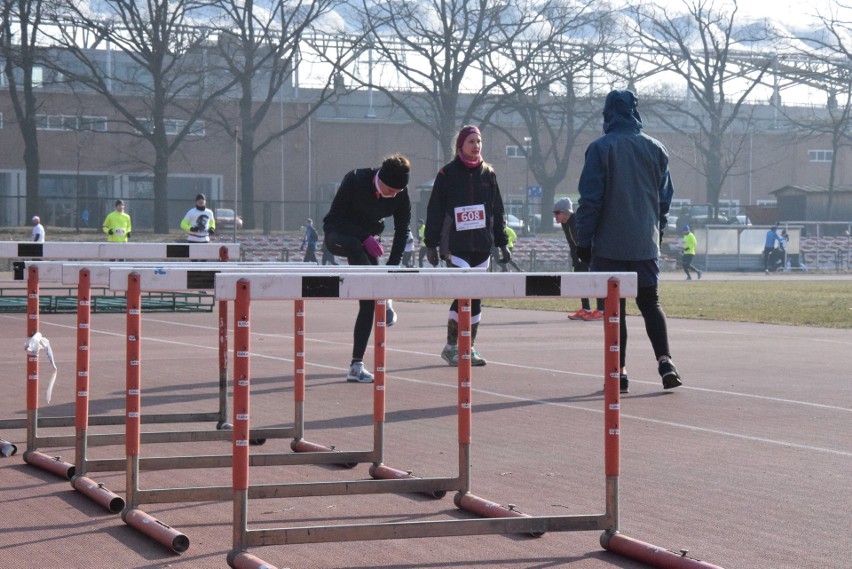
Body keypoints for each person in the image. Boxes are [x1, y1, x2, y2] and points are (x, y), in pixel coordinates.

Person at [575, 89, 682, 394]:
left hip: (609, 245)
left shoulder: (600, 148)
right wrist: (656, 231)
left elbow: (591, 199)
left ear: (608, 114)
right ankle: (665, 361)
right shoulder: (656, 148)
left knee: (614, 310)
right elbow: (665, 199)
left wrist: (584, 240)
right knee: (650, 303)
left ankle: (618, 372)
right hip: (644, 243)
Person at [424, 124, 510, 367]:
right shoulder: (447, 174)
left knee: (476, 297)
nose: (476, 146)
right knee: (463, 294)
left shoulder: (488, 174)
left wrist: (502, 243)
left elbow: (498, 210)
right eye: (471, 141)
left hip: (482, 245)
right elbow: (435, 209)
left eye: (479, 141)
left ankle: (468, 347)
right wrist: (431, 244)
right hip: (455, 245)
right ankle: (452, 346)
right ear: (461, 145)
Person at [323, 153, 411, 383]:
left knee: (369, 304)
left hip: (366, 243)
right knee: (354, 245)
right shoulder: (355, 180)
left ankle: (356, 365)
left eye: (397, 193)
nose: (393, 196)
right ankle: (380, 293)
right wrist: (363, 236)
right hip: (339, 236)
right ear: (380, 178)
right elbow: (332, 219)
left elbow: (403, 231)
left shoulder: (400, 194)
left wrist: (391, 270)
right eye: (390, 190)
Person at [553, 197, 604, 321]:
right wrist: (575, 259)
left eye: (557, 213)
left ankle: (601, 310)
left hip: (592, 254)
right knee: (580, 280)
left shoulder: (577, 221)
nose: (555, 216)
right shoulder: (565, 224)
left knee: (595, 281)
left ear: (565, 212)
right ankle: (586, 309)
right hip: (580, 256)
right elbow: (572, 243)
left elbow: (587, 239)